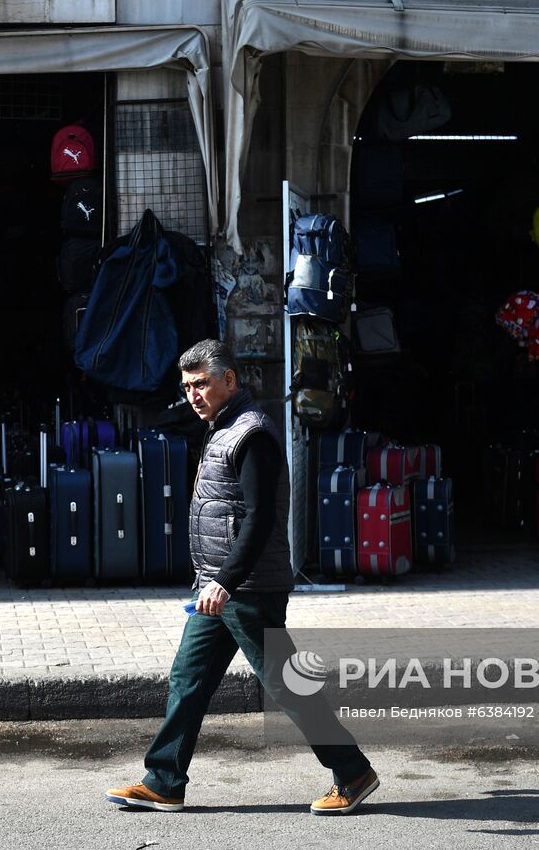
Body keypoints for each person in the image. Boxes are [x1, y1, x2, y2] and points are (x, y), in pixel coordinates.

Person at [106, 339, 378, 815]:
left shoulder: (251, 433)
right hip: (217, 589)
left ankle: (352, 772)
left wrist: (226, 581)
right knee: (187, 680)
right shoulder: (224, 427)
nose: (193, 394)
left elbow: (261, 519)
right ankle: (164, 780)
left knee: (287, 686)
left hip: (247, 588)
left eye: (202, 384)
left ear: (229, 380)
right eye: (187, 386)